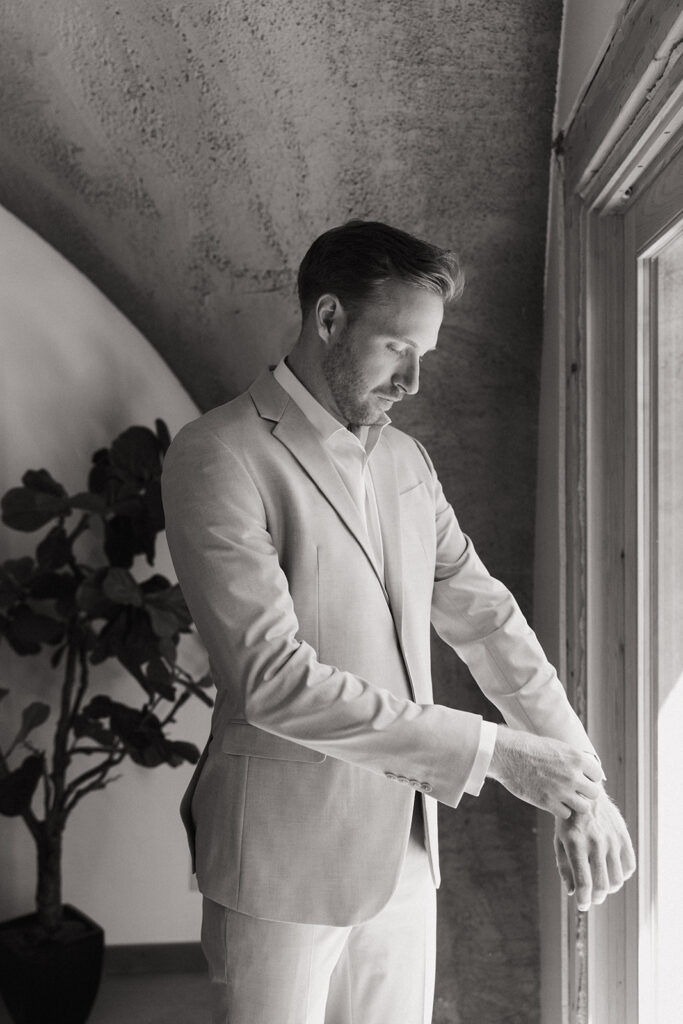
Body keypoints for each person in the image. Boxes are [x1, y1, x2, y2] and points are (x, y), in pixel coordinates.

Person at [161, 220, 635, 1024]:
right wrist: (495, 754)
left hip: (407, 853)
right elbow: (272, 682)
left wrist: (581, 782)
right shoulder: (218, 455)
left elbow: (489, 622)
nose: (414, 382)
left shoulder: (407, 462)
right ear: (329, 319)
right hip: (283, 863)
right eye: (396, 349)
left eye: (426, 355)